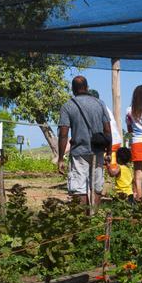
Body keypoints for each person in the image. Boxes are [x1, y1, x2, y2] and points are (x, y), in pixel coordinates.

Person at [56, 75, 112, 205]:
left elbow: (63, 134)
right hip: (98, 151)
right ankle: (94, 217)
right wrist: (109, 152)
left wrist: (60, 158)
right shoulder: (100, 103)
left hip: (78, 153)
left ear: (73, 89)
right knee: (96, 187)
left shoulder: (67, 106)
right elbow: (107, 130)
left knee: (79, 188)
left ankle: (83, 220)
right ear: (87, 87)